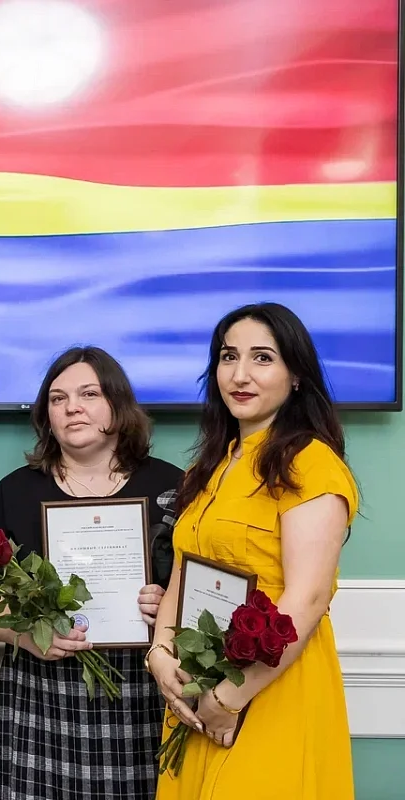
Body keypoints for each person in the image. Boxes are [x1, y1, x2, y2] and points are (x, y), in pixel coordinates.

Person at [149, 302, 358, 800]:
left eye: (262, 358)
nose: (240, 375)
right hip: (198, 690)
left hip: (267, 689)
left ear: (296, 376)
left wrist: (228, 698)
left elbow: (306, 600)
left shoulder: (312, 465)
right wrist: (159, 654)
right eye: (228, 357)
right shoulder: (210, 466)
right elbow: (183, 572)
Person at [0, 346, 183, 799]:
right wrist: (25, 635)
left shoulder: (173, 487)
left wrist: (168, 609)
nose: (72, 407)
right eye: (58, 398)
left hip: (141, 691)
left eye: (89, 394)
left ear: (118, 404)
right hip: (40, 692)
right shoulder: (17, 490)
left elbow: (198, 589)